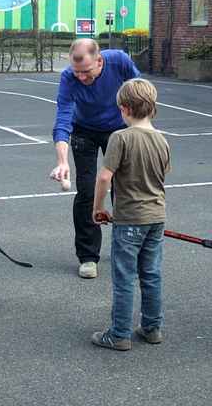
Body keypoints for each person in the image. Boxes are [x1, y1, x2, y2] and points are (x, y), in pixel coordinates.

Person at [90, 78, 171, 351]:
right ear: (152, 108)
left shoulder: (120, 138)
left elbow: (104, 178)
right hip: (156, 216)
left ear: (124, 109)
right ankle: (152, 327)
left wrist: (98, 208)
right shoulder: (162, 140)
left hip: (129, 219)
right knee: (151, 274)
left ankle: (119, 333)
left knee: (124, 277)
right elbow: (162, 175)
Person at [51, 38, 140, 279]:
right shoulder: (69, 77)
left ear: (99, 60)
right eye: (76, 71)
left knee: (122, 190)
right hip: (84, 131)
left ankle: (126, 248)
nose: (80, 77)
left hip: (118, 130)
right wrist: (62, 161)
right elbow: (63, 119)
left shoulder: (119, 62)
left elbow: (140, 93)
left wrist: (141, 130)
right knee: (87, 192)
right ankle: (88, 257)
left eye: (86, 71)